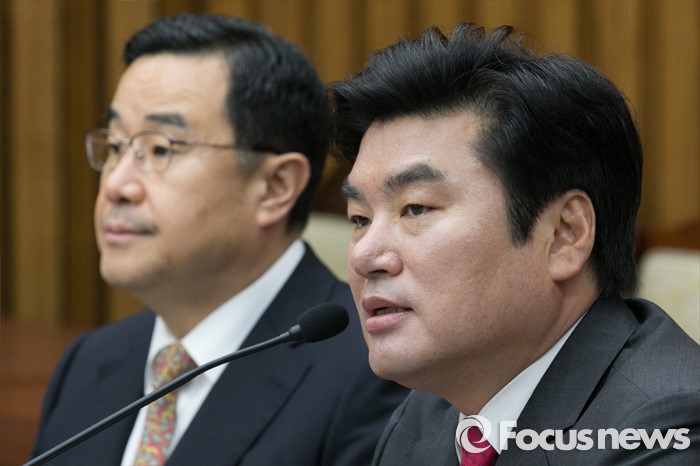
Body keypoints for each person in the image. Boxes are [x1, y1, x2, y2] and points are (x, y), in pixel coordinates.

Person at [31, 13, 407, 466]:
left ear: (275, 187)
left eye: (160, 149)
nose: (116, 185)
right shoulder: (89, 361)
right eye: (114, 148)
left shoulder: (376, 370)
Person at [328, 22, 700, 465]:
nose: (363, 255)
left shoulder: (666, 431)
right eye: (360, 218)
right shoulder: (428, 415)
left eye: (416, 208)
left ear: (564, 235)